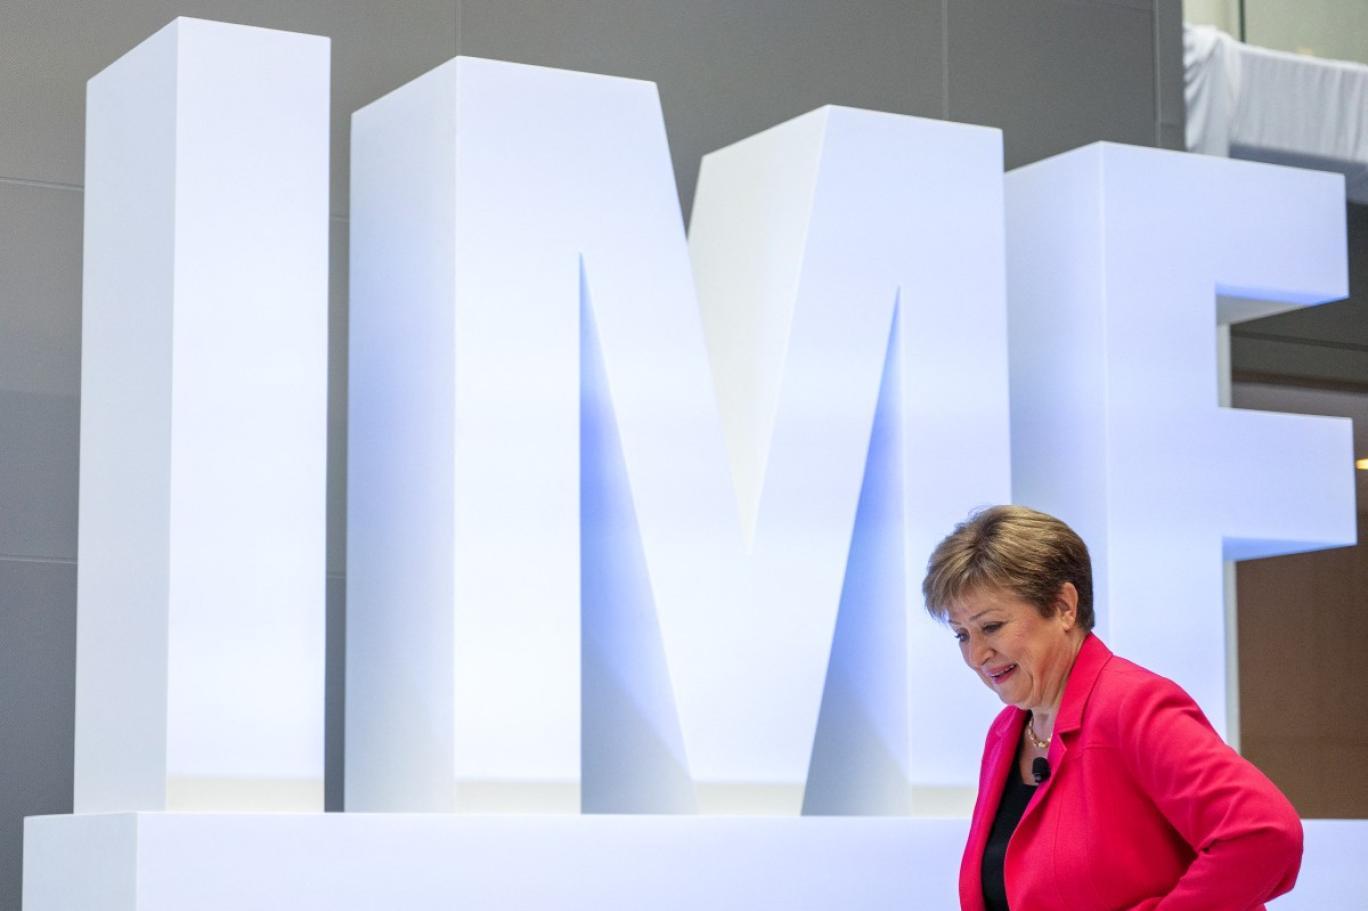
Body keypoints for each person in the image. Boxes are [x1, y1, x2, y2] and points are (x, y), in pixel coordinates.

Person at [923, 505, 1302, 911]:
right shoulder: (1005, 732)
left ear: (1063, 606)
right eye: (962, 635)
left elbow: (1266, 834)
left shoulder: (1133, 706)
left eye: (991, 627)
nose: (976, 655)